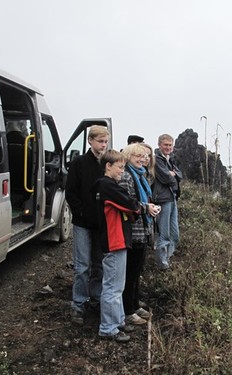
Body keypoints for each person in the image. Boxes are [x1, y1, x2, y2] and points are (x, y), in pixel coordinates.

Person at [92, 149, 140, 342]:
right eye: (120, 167)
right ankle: (108, 327)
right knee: (112, 286)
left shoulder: (106, 185)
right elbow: (131, 204)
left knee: (117, 285)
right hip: (114, 240)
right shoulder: (107, 185)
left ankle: (118, 320)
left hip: (117, 240)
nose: (122, 171)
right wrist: (135, 208)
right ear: (108, 166)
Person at [65, 125, 110, 324]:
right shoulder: (79, 162)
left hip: (101, 223)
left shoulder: (107, 164)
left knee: (99, 264)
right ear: (90, 140)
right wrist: (80, 212)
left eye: (106, 142)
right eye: (100, 141)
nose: (103, 145)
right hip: (83, 223)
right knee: (82, 266)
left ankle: (96, 298)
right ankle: (79, 304)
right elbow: (71, 192)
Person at [119, 144, 160, 326]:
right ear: (129, 156)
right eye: (138, 156)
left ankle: (134, 304)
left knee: (137, 270)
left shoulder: (140, 175)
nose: (142, 159)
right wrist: (146, 208)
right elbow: (127, 203)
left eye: (144, 156)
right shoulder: (127, 176)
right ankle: (127, 310)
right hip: (132, 230)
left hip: (141, 229)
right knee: (130, 271)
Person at [152, 134, 182, 270]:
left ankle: (167, 260)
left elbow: (180, 174)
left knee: (175, 235)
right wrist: (173, 176)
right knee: (164, 235)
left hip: (172, 198)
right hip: (163, 199)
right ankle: (162, 265)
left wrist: (174, 174)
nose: (168, 147)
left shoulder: (170, 159)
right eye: (165, 145)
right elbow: (165, 177)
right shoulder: (156, 159)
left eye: (170, 145)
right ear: (159, 145)